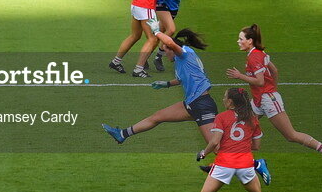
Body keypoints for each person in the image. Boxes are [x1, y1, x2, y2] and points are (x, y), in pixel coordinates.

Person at [102, 29, 271, 184]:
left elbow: (170, 42)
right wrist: (166, 84)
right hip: (191, 103)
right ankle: (122, 134)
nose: (164, 54)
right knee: (158, 116)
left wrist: (156, 31)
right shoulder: (182, 59)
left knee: (217, 147)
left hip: (202, 105)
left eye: (165, 50)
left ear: (172, 49)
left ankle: (256, 164)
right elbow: (184, 78)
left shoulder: (183, 54)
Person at [225, 24, 322, 171]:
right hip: (260, 100)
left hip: (267, 100)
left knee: (291, 135)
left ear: (250, 41)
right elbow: (274, 70)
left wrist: (240, 76)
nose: (238, 41)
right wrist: (272, 89)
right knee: (241, 126)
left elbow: (260, 82)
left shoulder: (254, 57)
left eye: (241, 39)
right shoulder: (259, 53)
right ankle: (226, 162)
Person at [171, 87, 272, 192]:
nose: (223, 99)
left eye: (225, 97)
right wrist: (241, 146)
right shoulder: (252, 118)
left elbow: (214, 142)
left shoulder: (222, 117)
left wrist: (203, 153)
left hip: (224, 163)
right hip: (245, 164)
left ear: (230, 102)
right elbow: (256, 146)